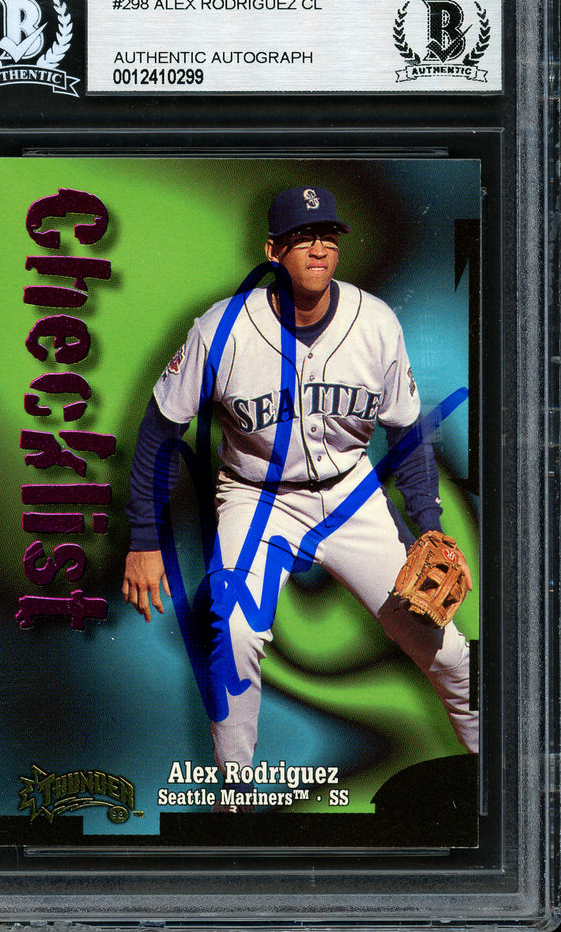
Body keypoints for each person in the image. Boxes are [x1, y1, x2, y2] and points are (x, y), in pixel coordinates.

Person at [123, 186, 479, 789]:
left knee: (442, 646)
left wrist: (431, 525)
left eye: (327, 236)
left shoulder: (375, 323)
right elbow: (160, 431)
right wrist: (143, 538)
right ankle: (236, 801)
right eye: (302, 238)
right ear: (273, 251)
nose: (318, 248)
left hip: (350, 494)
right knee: (235, 634)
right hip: (256, 496)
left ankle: (496, 783)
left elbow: (407, 432)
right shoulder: (222, 329)